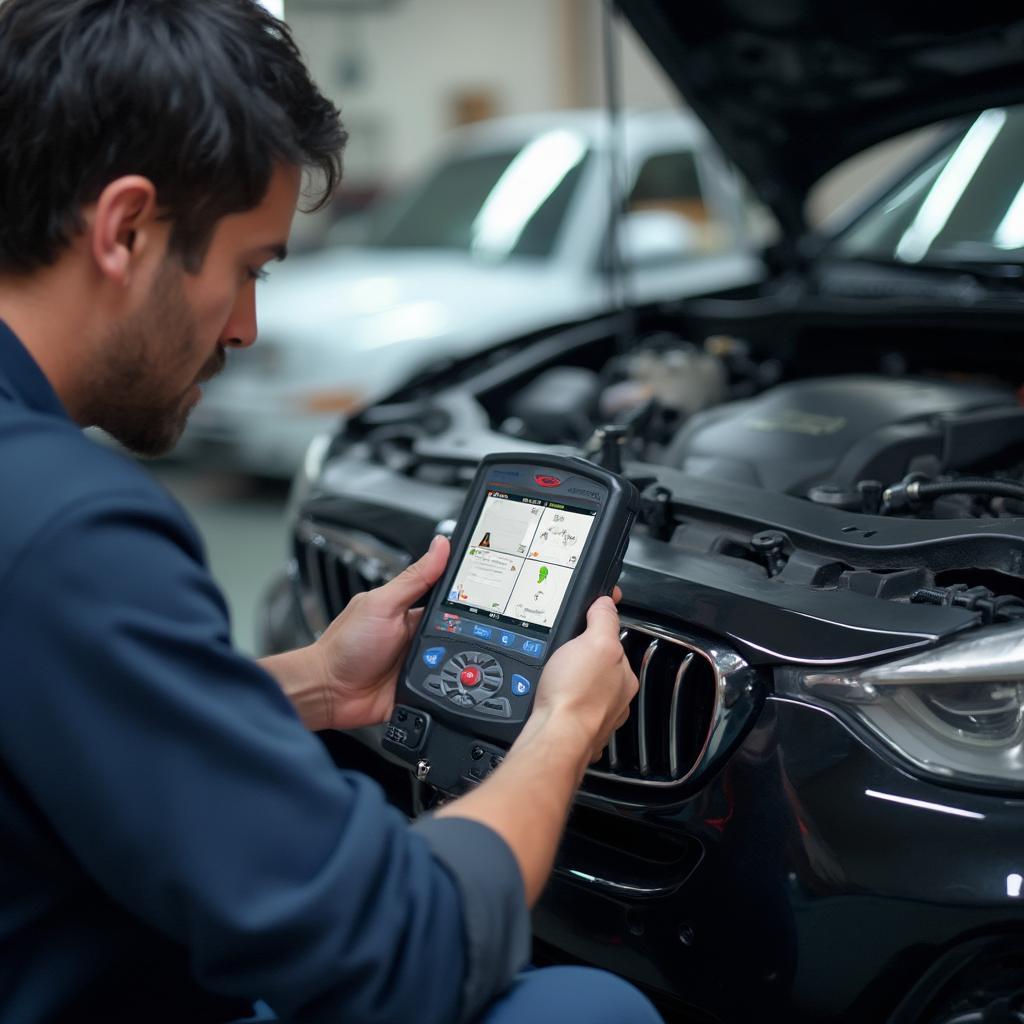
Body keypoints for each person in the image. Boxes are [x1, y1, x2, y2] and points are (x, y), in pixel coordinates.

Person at [0, 2, 660, 1022]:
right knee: (589, 1007)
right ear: (125, 229)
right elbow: (402, 953)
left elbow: (62, 717)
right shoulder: (68, 528)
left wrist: (313, 680)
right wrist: (563, 731)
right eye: (247, 269)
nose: (249, 326)